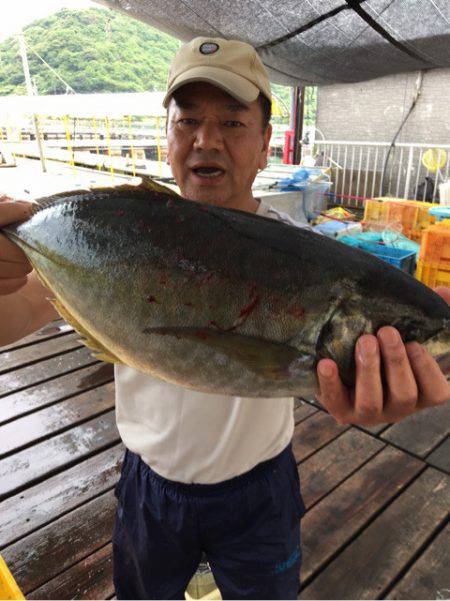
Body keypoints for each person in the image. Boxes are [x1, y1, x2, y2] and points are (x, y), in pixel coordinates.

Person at [0, 37, 449, 601]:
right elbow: (10, 318)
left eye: (233, 123)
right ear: (166, 139)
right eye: (187, 120)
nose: (206, 140)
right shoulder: (122, 237)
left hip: (258, 488)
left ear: (265, 143)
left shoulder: (306, 256)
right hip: (149, 485)